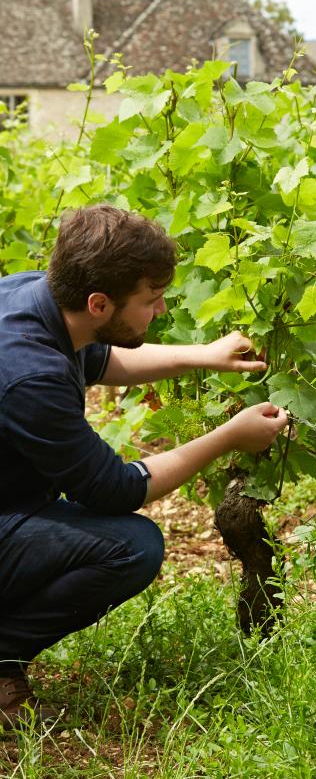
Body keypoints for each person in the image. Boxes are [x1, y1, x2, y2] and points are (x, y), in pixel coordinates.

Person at [0, 204, 288, 727]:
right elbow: (116, 489)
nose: (158, 312)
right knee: (132, 547)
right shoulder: (30, 375)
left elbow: (101, 359)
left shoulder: (34, 297)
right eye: (150, 301)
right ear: (99, 302)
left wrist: (204, 353)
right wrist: (228, 437)